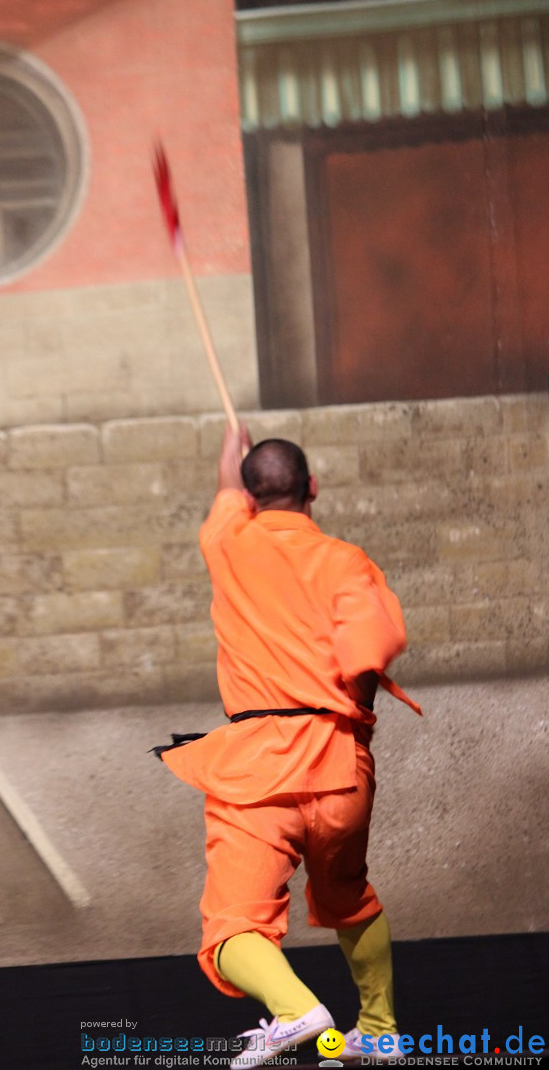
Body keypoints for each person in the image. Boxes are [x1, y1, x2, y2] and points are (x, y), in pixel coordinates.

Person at [155, 424, 421, 1069]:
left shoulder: (227, 540)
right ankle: (379, 1030)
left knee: (231, 930)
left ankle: (297, 1012)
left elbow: (227, 489)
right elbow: (368, 650)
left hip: (258, 769)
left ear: (247, 497)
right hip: (339, 762)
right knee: (349, 896)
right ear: (314, 488)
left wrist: (231, 448)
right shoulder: (346, 561)